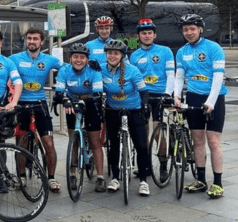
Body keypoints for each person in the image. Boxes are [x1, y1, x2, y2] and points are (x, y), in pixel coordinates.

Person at [173, 14, 227, 198]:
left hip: (215, 98)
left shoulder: (214, 48)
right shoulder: (182, 51)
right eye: (185, 29)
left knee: (213, 141)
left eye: (192, 29)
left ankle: (218, 183)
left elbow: (218, 78)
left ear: (200, 29)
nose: (189, 32)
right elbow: (179, 76)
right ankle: (201, 180)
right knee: (197, 140)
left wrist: (211, 102)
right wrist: (176, 97)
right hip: (194, 97)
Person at [9, 28, 63, 192]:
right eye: (29, 38)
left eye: (35, 39)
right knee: (22, 143)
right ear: (26, 40)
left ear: (41, 42)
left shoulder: (49, 59)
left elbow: (68, 68)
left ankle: (51, 178)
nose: (32, 41)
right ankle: (21, 176)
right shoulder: (14, 58)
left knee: (48, 143)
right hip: (21, 104)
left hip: (40, 104)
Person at [101, 40, 151, 196]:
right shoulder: (101, 70)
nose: (112, 56)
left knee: (141, 145)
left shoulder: (132, 70)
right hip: (112, 110)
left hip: (133, 110)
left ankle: (143, 180)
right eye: (109, 53)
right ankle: (115, 177)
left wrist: (144, 105)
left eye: (116, 53)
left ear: (122, 55)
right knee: (113, 145)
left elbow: (144, 91)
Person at [53, 43, 106, 192]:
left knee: (95, 142)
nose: (78, 60)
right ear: (70, 58)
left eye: (82, 57)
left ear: (87, 59)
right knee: (73, 141)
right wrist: (64, 99)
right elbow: (59, 90)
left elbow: (97, 93)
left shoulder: (94, 70)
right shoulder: (64, 70)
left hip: (90, 103)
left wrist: (85, 102)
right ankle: (72, 174)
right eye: (75, 57)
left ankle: (100, 177)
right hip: (72, 103)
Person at [129, 18, 175, 183]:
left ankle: (163, 166)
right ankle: (146, 166)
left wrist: (167, 93)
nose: (147, 36)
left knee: (157, 132)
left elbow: (171, 74)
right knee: (143, 133)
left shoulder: (165, 51)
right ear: (138, 36)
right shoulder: (134, 55)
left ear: (154, 35)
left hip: (159, 95)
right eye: (143, 33)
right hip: (142, 97)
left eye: (149, 33)